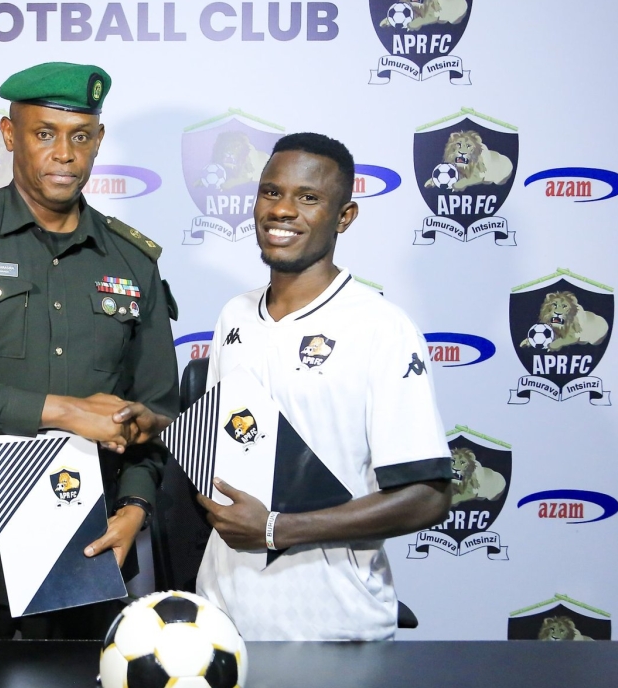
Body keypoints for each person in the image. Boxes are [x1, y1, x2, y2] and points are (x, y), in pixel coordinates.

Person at [0, 62, 179, 639]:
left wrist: (135, 509)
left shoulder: (132, 262)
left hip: (87, 550)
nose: (64, 154)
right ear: (8, 135)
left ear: (98, 140)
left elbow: (158, 412)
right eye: (44, 133)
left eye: (80, 136)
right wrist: (63, 409)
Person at [194, 133, 453, 641]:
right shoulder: (234, 315)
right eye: (271, 192)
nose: (283, 210)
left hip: (335, 626)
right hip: (222, 622)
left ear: (345, 216)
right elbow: (228, 446)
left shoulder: (381, 327)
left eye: (308, 198)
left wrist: (277, 529)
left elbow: (428, 496)